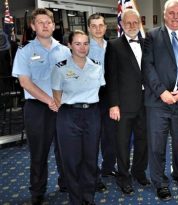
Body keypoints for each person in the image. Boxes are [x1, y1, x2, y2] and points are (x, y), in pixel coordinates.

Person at [142, 0, 178, 201]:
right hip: (158, 103)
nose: (176, 16)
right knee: (157, 146)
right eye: (171, 13)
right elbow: (148, 67)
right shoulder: (151, 36)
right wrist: (162, 92)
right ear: (165, 14)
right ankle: (159, 182)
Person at [11, 8, 69, 205]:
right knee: (39, 153)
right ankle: (37, 192)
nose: (45, 25)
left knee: (65, 150)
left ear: (53, 25)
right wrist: (50, 101)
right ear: (33, 26)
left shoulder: (65, 50)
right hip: (37, 108)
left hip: (63, 108)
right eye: (41, 22)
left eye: (48, 22)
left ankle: (66, 183)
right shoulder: (25, 51)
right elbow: (25, 83)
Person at [51, 30, 105, 205]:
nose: (82, 48)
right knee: (71, 161)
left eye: (86, 43)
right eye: (78, 43)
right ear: (69, 45)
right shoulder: (60, 68)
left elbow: (101, 90)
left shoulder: (97, 66)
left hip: (92, 115)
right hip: (69, 115)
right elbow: (57, 96)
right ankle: (75, 199)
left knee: (90, 160)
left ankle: (88, 199)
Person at [105, 8, 150, 195]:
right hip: (123, 105)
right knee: (122, 143)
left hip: (147, 103)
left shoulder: (148, 44)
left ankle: (139, 172)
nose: (132, 26)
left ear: (140, 24)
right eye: (128, 23)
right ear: (121, 25)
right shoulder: (114, 45)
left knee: (143, 141)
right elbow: (111, 77)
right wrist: (113, 104)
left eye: (135, 22)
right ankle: (124, 177)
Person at [87, 13, 114, 192]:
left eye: (101, 25)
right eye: (94, 26)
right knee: (92, 138)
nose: (98, 29)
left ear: (105, 27)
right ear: (89, 28)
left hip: (109, 95)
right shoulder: (84, 47)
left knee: (110, 135)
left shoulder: (112, 46)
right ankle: (93, 177)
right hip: (90, 96)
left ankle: (108, 167)